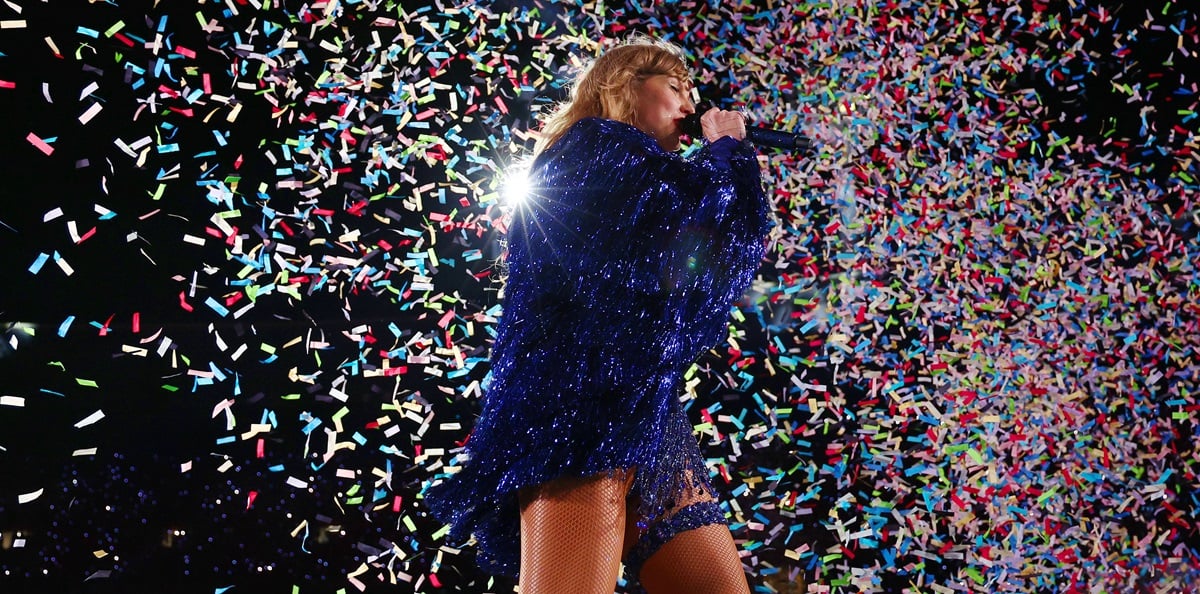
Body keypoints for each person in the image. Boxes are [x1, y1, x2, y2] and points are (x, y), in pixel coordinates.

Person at [424, 36, 771, 594]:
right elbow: (671, 216)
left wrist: (726, 159)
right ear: (624, 85)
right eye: (676, 87)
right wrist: (726, 149)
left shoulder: (640, 167)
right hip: (575, 401)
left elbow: (696, 253)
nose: (689, 104)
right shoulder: (591, 147)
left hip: (644, 409)